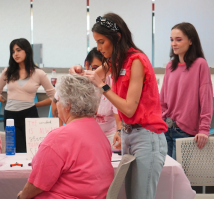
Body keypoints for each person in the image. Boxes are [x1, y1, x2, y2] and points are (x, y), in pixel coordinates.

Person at [70, 13, 168, 199]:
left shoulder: (136, 60)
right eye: (96, 43)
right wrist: (78, 71)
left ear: (117, 37)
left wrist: (103, 85)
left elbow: (129, 108)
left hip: (147, 136)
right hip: (129, 134)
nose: (98, 48)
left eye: (101, 42)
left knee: (142, 195)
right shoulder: (115, 61)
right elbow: (92, 77)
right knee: (131, 195)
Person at [17, 74, 114, 199]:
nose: (56, 106)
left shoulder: (59, 137)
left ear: (67, 105)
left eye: (57, 101)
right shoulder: (99, 133)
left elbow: (38, 183)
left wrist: (21, 197)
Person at [160, 22, 213, 160]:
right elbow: (162, 100)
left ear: (190, 41)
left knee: (182, 179)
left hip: (186, 132)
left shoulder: (200, 64)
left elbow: (206, 101)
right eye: (171, 40)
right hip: (166, 128)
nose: (174, 44)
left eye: (179, 39)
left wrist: (204, 130)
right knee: (166, 176)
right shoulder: (170, 66)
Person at [0, 38, 55, 153]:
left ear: (26, 51)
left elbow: (54, 97)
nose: (15, 54)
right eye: (13, 52)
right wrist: (7, 102)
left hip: (29, 114)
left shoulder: (39, 73)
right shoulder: (8, 72)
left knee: (31, 151)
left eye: (18, 50)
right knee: (14, 151)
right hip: (10, 116)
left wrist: (35, 105)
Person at [85, 47, 122, 150]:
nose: (99, 73)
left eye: (104, 70)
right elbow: (57, 100)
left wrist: (119, 133)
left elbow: (119, 119)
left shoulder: (112, 83)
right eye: (96, 68)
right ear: (87, 65)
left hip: (109, 134)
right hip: (86, 133)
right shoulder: (83, 83)